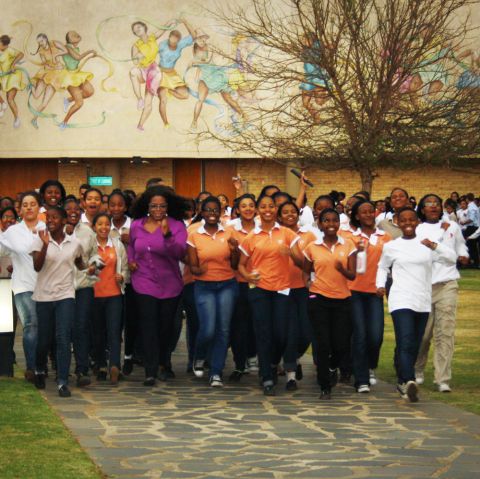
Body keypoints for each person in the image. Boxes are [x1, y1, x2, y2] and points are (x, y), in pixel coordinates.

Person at [376, 208, 457, 402]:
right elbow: (382, 267)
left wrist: (435, 246)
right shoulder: (392, 246)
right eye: (403, 220)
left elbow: (451, 258)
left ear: (417, 222)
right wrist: (380, 285)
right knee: (405, 340)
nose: (407, 223)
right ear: (398, 222)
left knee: (415, 342)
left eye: (411, 220)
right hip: (401, 299)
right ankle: (408, 380)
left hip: (422, 300)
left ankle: (404, 381)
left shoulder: (426, 245)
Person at [238, 195, 303, 396]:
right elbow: (240, 264)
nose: (267, 210)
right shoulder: (251, 237)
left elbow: (302, 262)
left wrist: (290, 253)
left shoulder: (287, 233)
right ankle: (266, 376)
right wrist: (248, 275)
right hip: (259, 290)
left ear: (276, 209)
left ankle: (274, 363)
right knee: (263, 333)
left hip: (283, 289)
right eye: (263, 206)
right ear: (258, 210)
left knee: (281, 334)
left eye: (271, 206)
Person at [128, 186, 188, 386]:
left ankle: (164, 361)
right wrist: (131, 260)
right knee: (148, 325)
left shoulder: (177, 226)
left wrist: (167, 235)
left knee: (166, 327)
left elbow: (179, 253)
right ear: (147, 206)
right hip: (144, 281)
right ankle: (150, 370)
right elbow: (131, 246)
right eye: (154, 205)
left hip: (170, 284)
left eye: (162, 206)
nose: (158, 209)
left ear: (168, 207)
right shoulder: (137, 225)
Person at [303, 209, 360, 400]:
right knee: (323, 343)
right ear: (320, 223)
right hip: (318, 298)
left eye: (334, 220)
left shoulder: (349, 244)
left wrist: (341, 269)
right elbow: (306, 269)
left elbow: (353, 274)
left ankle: (333, 366)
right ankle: (324, 385)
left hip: (342, 299)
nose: (330, 224)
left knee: (341, 344)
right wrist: (307, 283)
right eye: (326, 220)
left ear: (339, 223)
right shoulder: (312, 246)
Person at [415, 194, 469, 392]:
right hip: (424, 285)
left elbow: (459, 245)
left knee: (445, 332)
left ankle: (442, 378)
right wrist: (439, 243)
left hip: (447, 283)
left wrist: (464, 254)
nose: (433, 207)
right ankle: (418, 369)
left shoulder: (452, 226)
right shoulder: (417, 229)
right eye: (428, 204)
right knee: (423, 334)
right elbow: (427, 254)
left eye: (437, 203)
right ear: (422, 209)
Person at [31, 207, 86, 398]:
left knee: (64, 337)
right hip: (44, 296)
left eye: (55, 218)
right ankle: (39, 369)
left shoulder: (74, 242)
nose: (50, 221)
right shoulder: (39, 239)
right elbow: (37, 267)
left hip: (66, 295)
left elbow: (80, 263)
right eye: (48, 218)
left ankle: (62, 381)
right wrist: (45, 245)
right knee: (45, 339)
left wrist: (91, 267)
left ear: (64, 221)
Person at [187, 196, 240, 387]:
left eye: (215, 210)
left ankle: (216, 371)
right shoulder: (194, 234)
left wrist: (235, 252)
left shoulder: (228, 232)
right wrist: (197, 269)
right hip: (204, 286)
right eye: (208, 210)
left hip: (227, 284)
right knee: (208, 328)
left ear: (221, 212)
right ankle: (199, 356)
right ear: (202, 212)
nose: (212, 214)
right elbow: (192, 265)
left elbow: (235, 264)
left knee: (223, 328)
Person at [0, 191, 45, 381]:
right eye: (25, 204)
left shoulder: (46, 227)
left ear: (38, 207)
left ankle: (42, 366)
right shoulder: (12, 232)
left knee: (45, 328)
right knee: (31, 324)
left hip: (46, 285)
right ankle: (31, 367)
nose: (28, 207)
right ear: (20, 209)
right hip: (23, 285)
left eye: (32, 204)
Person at [348, 201, 392, 393]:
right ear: (357, 216)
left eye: (370, 211)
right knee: (360, 334)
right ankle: (361, 379)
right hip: (354, 291)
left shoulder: (386, 237)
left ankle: (370, 364)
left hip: (375, 292)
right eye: (363, 212)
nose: (367, 214)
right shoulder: (349, 237)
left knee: (375, 335)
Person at [277, 201, 316, 390]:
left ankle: (294, 357)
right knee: (290, 331)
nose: (290, 214)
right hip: (281, 289)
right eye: (285, 212)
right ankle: (290, 373)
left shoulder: (307, 236)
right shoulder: (275, 234)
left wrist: (292, 254)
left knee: (307, 330)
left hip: (304, 287)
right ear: (279, 216)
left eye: (293, 211)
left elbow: (311, 264)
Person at [91, 213, 128, 384]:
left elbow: (125, 268)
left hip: (114, 294)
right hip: (95, 294)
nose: (104, 227)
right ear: (94, 227)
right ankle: (101, 365)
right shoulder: (89, 247)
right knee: (98, 333)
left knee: (114, 332)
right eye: (100, 224)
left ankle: (114, 365)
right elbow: (82, 269)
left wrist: (122, 276)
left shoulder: (117, 245)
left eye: (107, 224)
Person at [63, 198, 97, 387]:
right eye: (69, 209)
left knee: (81, 327)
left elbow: (95, 254)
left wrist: (94, 267)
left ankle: (82, 368)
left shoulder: (87, 231)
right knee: (65, 329)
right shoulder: (56, 230)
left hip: (83, 286)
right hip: (62, 287)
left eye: (77, 209)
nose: (73, 212)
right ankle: (62, 368)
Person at [226, 194, 257, 381]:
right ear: (237, 209)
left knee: (256, 323)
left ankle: (253, 355)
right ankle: (239, 363)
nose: (247, 209)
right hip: (236, 282)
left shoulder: (263, 228)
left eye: (251, 205)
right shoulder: (230, 229)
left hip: (260, 282)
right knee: (238, 324)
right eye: (243, 206)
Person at [0, 35, 26, 128]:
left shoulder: (9, 50)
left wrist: (13, 64)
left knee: (10, 98)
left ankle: (16, 118)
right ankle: (3, 104)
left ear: (5, 45)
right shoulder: (0, 51)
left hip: (13, 76)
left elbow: (21, 54)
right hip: (4, 76)